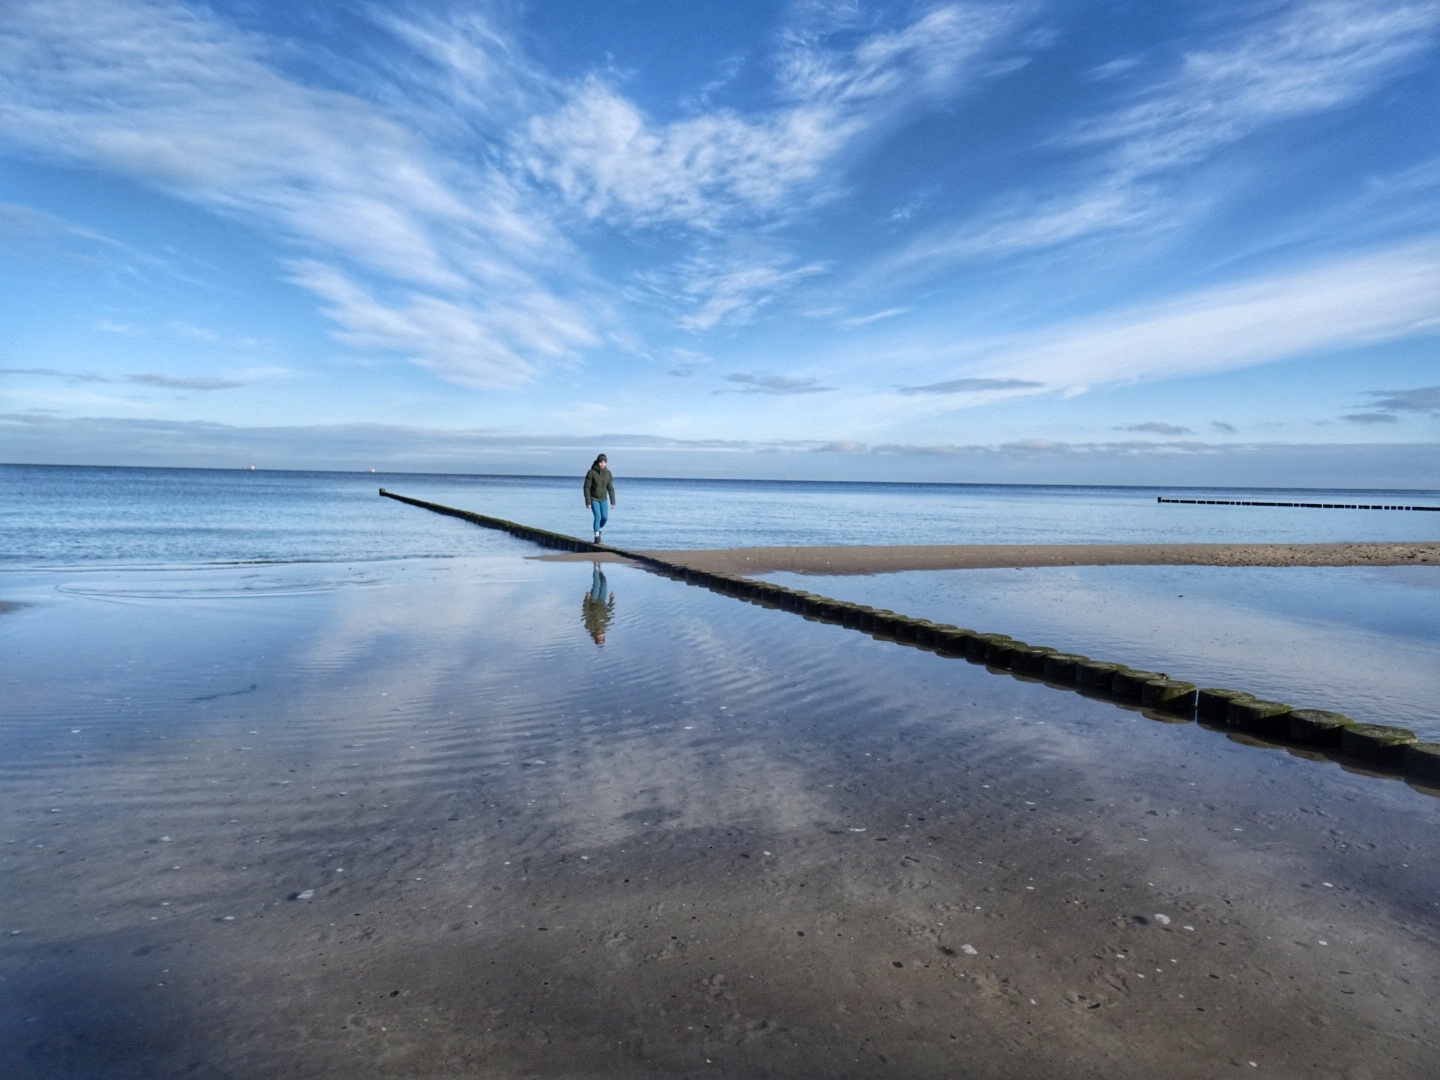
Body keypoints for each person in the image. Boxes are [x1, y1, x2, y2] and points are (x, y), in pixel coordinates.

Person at [582, 453, 616, 544]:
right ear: (598, 462)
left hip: (603, 499)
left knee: (604, 518)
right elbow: (586, 487)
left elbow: (610, 488)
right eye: (601, 462)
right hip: (594, 499)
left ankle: (598, 529)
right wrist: (588, 502)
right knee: (598, 516)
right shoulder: (591, 472)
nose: (602, 464)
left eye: (604, 462)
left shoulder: (608, 473)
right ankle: (597, 537)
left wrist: (613, 502)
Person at [582, 562, 616, 645]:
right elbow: (609, 611)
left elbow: (585, 612)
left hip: (593, 600)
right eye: (602, 637)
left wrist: (587, 599)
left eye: (599, 638)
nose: (601, 636)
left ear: (595, 637)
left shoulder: (589, 626)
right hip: (602, 600)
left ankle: (596, 566)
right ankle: (599, 570)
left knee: (597, 584)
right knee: (604, 583)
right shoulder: (605, 625)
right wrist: (611, 599)